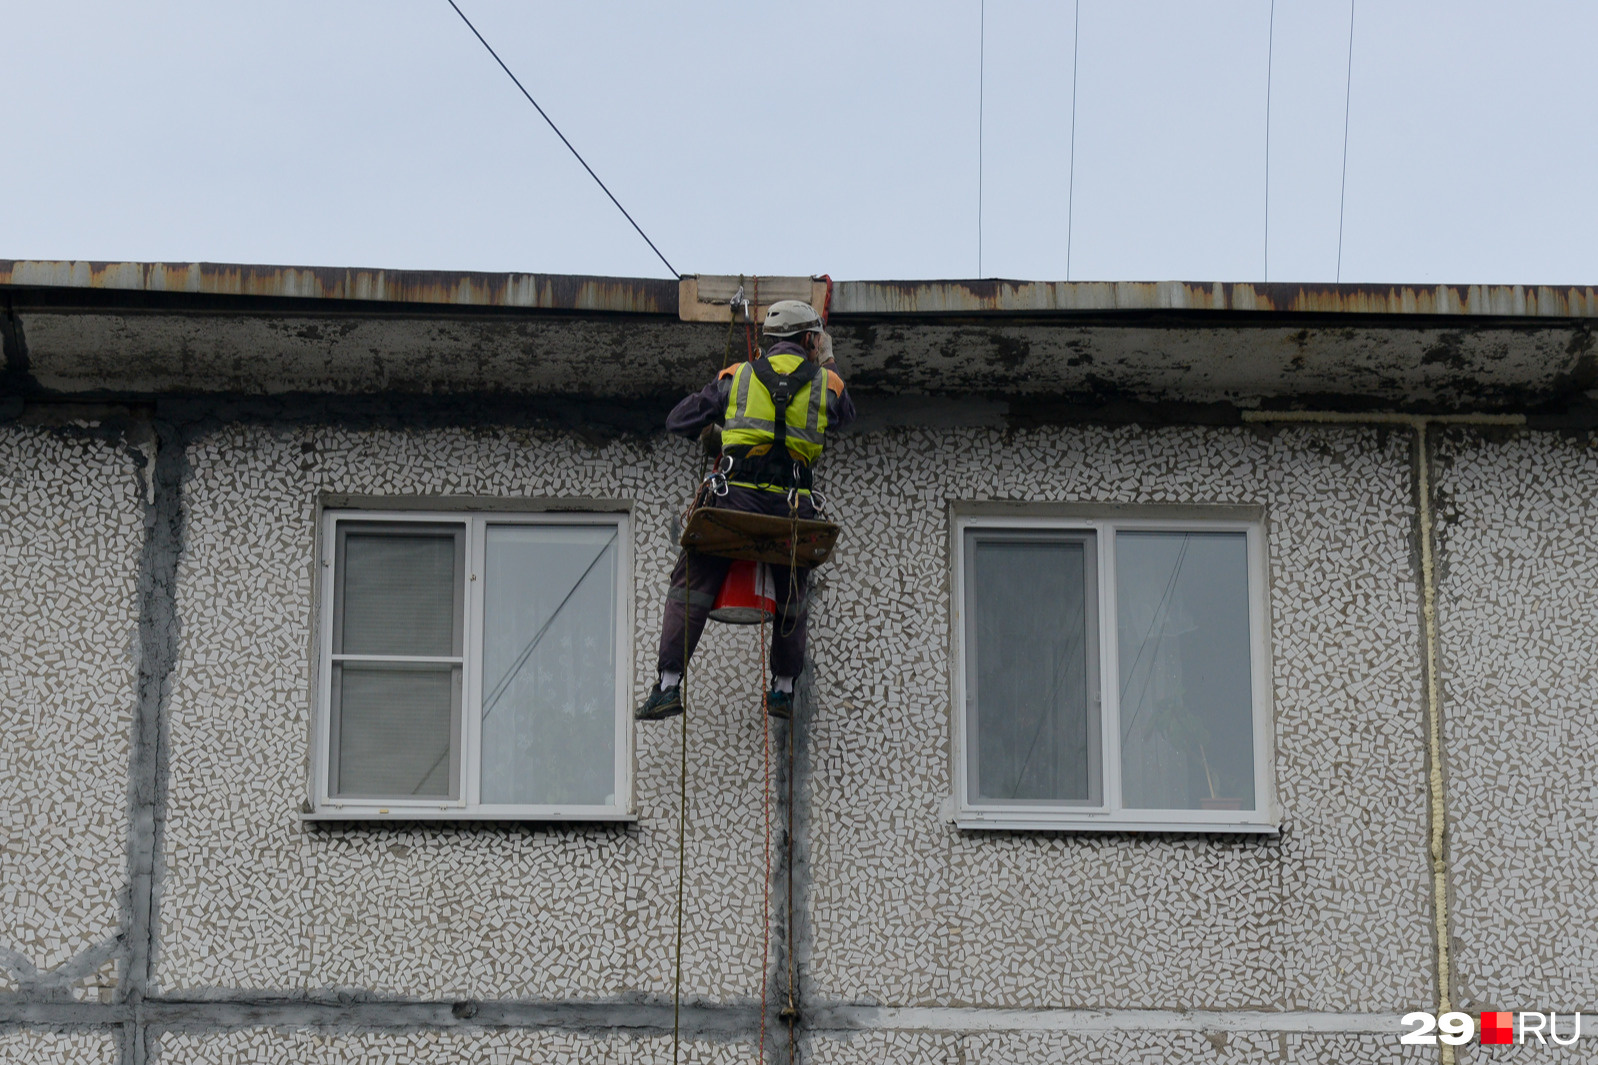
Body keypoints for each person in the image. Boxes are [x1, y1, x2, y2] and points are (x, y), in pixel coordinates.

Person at [636, 299, 855, 721]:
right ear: (810, 339)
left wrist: (716, 431)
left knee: (691, 581)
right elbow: (845, 417)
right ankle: (784, 690)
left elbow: (677, 420)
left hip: (734, 501)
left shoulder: (736, 377)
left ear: (770, 341)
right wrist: (828, 360)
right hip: (792, 510)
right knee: (793, 590)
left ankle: (667, 685)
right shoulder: (827, 383)